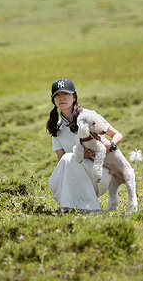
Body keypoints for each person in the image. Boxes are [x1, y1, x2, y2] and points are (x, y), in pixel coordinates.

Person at [47, 78, 123, 213]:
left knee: (69, 159)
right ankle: (72, 207)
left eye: (65, 94)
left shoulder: (88, 116)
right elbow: (62, 160)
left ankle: (90, 209)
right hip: (75, 171)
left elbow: (117, 135)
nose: (61, 98)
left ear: (74, 97)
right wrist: (81, 156)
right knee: (66, 162)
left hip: (98, 173)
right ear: (53, 100)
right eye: (57, 95)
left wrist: (110, 145)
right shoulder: (56, 128)